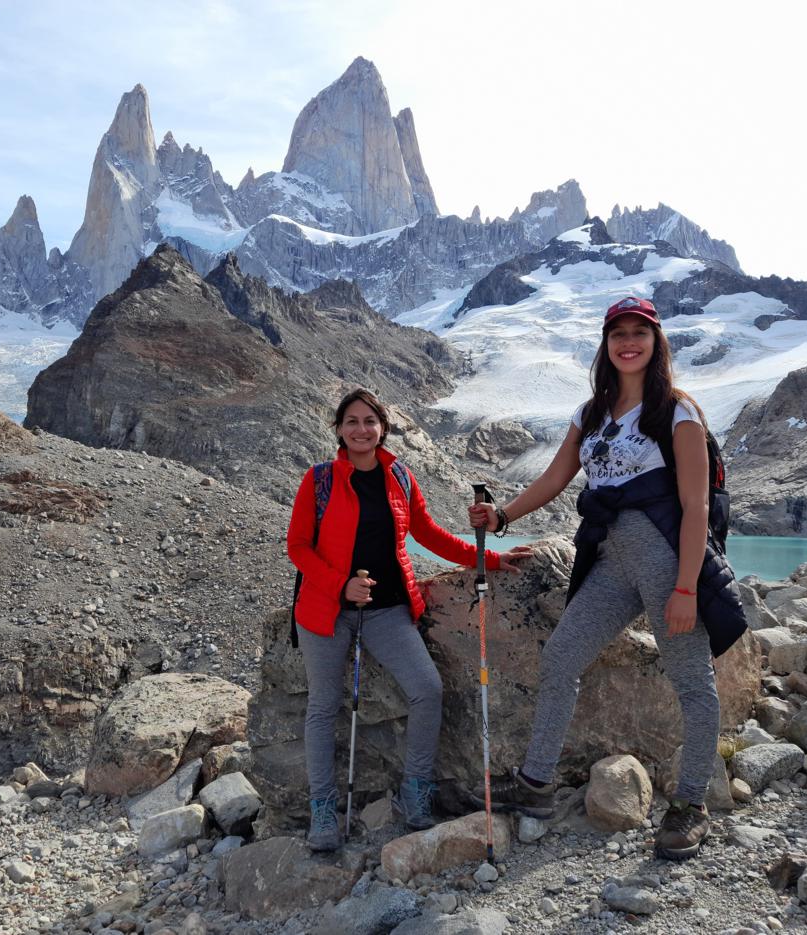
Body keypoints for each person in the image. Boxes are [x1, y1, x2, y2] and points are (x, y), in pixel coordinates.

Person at [468, 296, 747, 860]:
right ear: (605, 344)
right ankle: (537, 784)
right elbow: (556, 477)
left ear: (655, 341)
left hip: (667, 560)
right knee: (562, 658)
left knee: (692, 680)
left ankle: (691, 803)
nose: (628, 342)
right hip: (609, 557)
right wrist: (502, 518)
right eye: (617, 332)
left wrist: (687, 587)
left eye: (638, 332)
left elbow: (695, 507)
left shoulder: (678, 411)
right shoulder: (590, 413)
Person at [287, 388, 524, 851]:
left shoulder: (399, 475)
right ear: (338, 429)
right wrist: (340, 585)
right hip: (327, 609)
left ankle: (416, 789)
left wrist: (488, 559)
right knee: (322, 707)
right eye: (351, 421)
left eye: (370, 421)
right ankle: (322, 809)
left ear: (383, 428)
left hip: (388, 609)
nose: (361, 429)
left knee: (426, 689)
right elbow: (297, 547)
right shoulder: (318, 481)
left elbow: (427, 533)